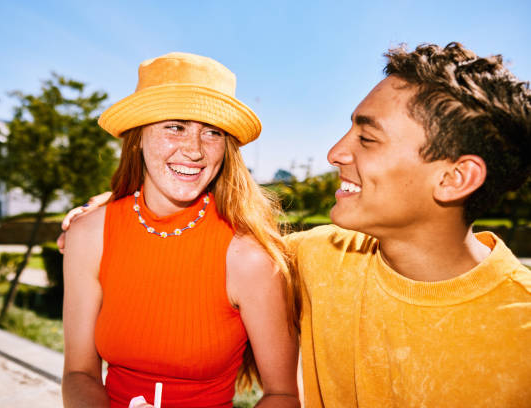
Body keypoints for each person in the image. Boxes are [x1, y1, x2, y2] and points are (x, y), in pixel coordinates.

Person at [62, 42, 531, 407]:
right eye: (173, 127)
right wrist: (107, 210)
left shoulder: (521, 336)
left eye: (367, 137)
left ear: (455, 178)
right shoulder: (317, 257)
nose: (334, 153)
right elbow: (171, 237)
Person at [61, 52, 300, 408]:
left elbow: (282, 395)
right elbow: (79, 373)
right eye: (175, 127)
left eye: (212, 132)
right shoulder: (89, 234)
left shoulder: (248, 257)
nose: (194, 150)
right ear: (138, 137)